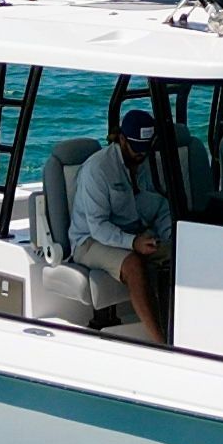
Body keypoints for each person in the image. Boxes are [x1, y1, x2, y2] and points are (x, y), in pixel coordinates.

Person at [68, 100, 173, 345]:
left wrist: (167, 237)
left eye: (145, 149)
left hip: (136, 232)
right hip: (90, 241)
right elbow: (97, 226)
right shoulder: (98, 169)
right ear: (121, 140)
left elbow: (162, 207)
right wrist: (133, 242)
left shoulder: (150, 163)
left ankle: (181, 328)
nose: (141, 154)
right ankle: (161, 344)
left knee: (180, 254)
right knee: (134, 264)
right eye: (135, 148)